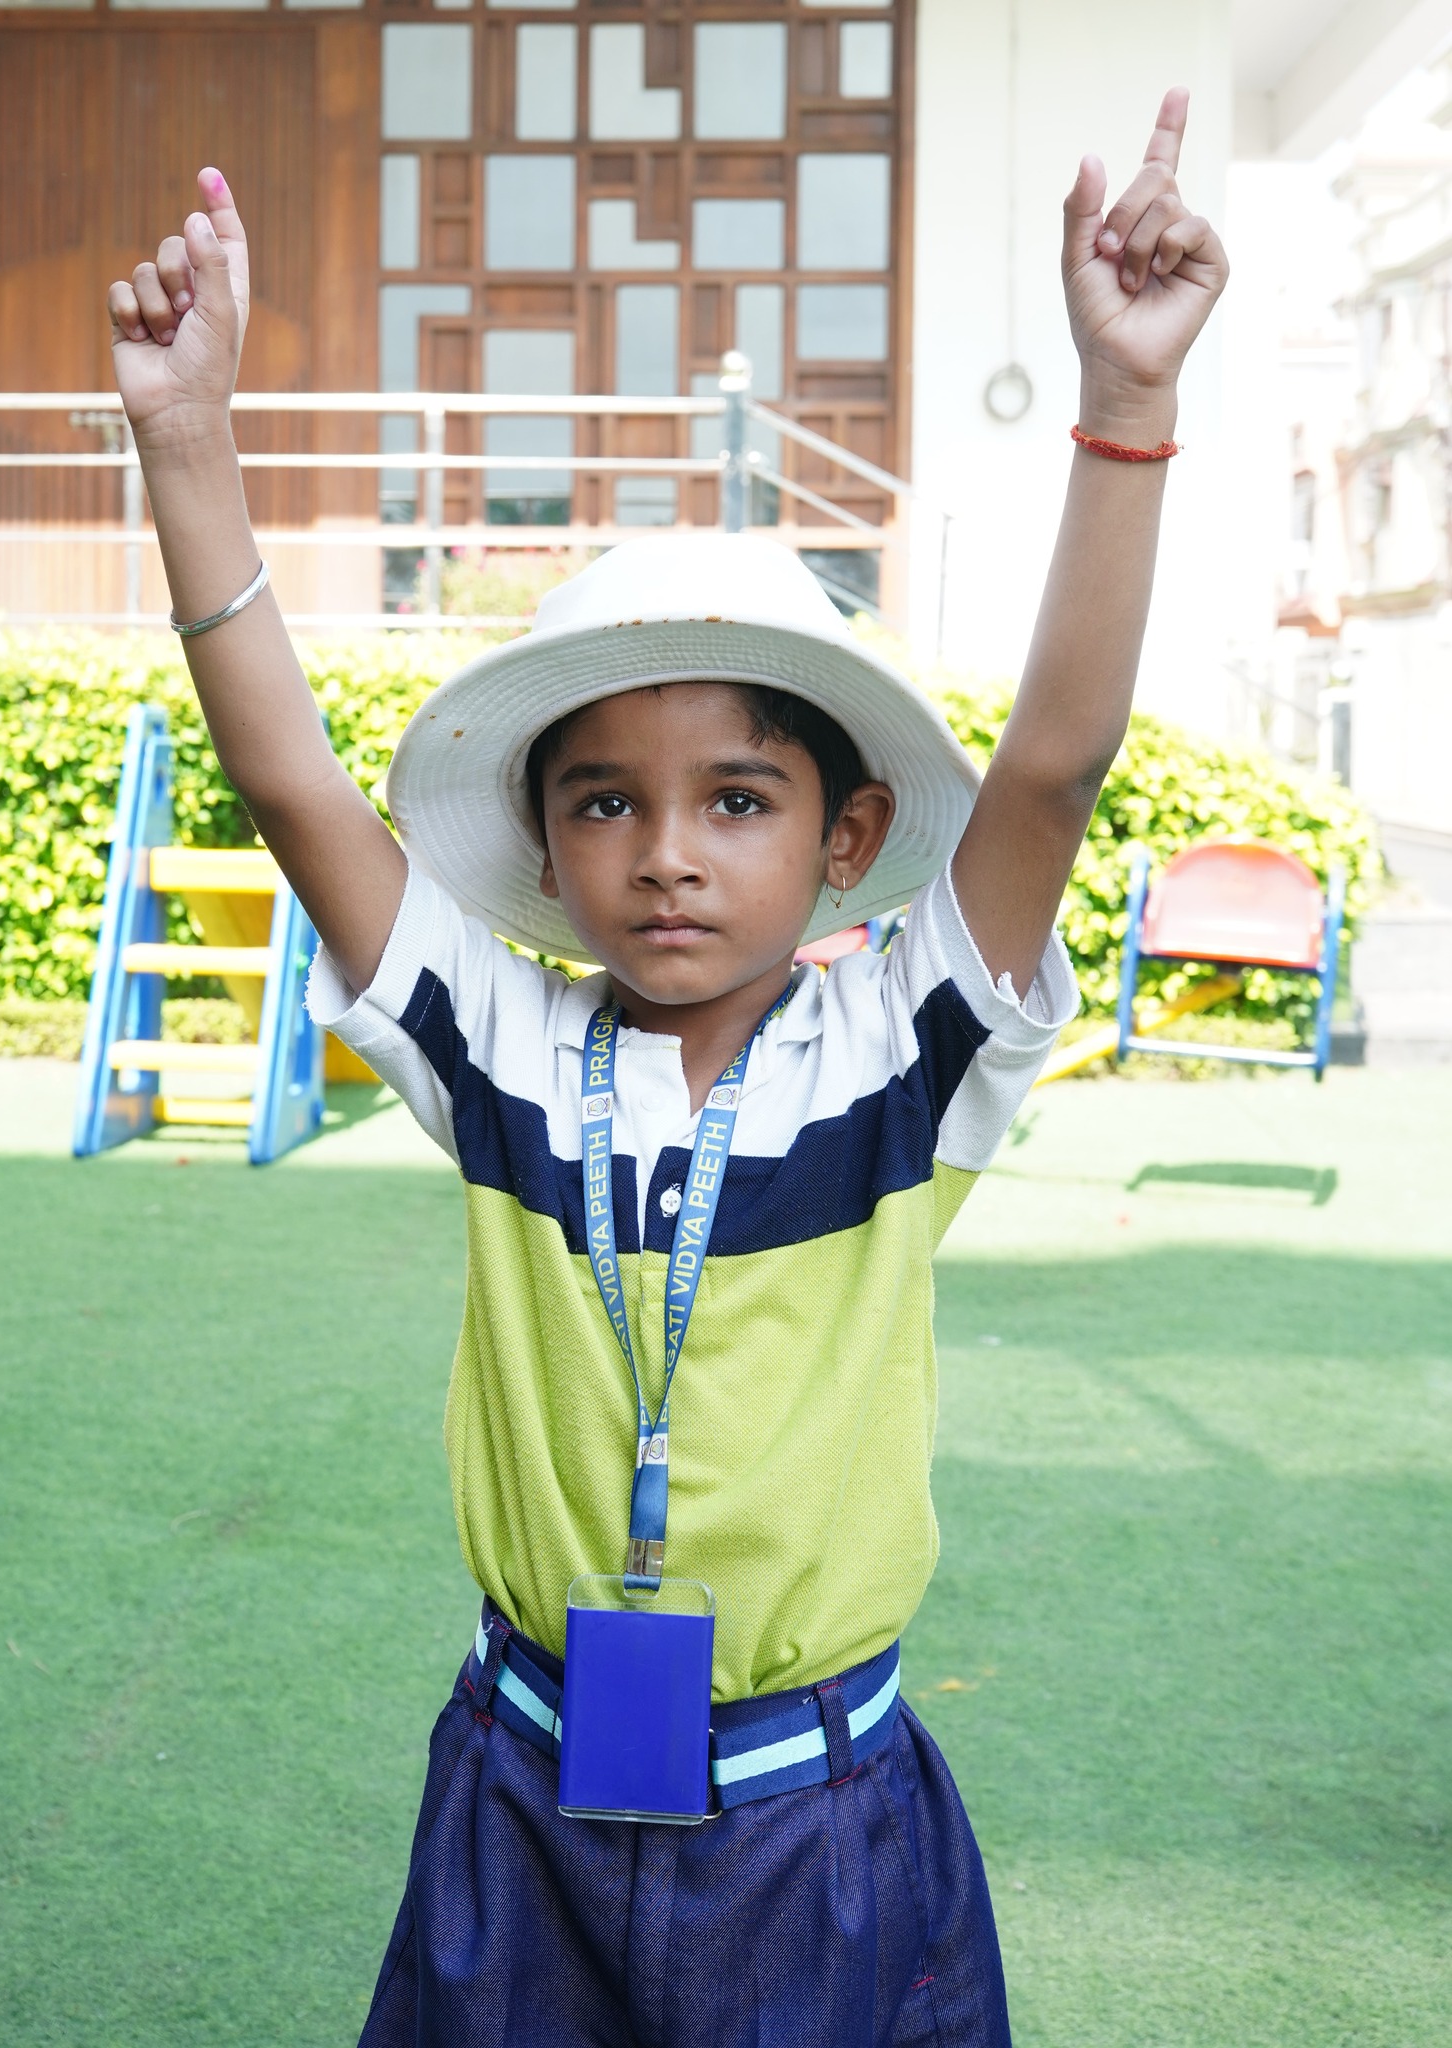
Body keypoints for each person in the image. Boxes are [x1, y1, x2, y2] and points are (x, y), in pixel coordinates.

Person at [108, 86, 1226, 2048]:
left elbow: (1051, 762)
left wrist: (1123, 408)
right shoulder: (505, 1048)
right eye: (609, 801)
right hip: (524, 1785)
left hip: (818, 1808)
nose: (671, 850)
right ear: (547, 852)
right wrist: (188, 442)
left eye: (739, 795)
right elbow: (291, 782)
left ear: (848, 837)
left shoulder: (904, 1052)